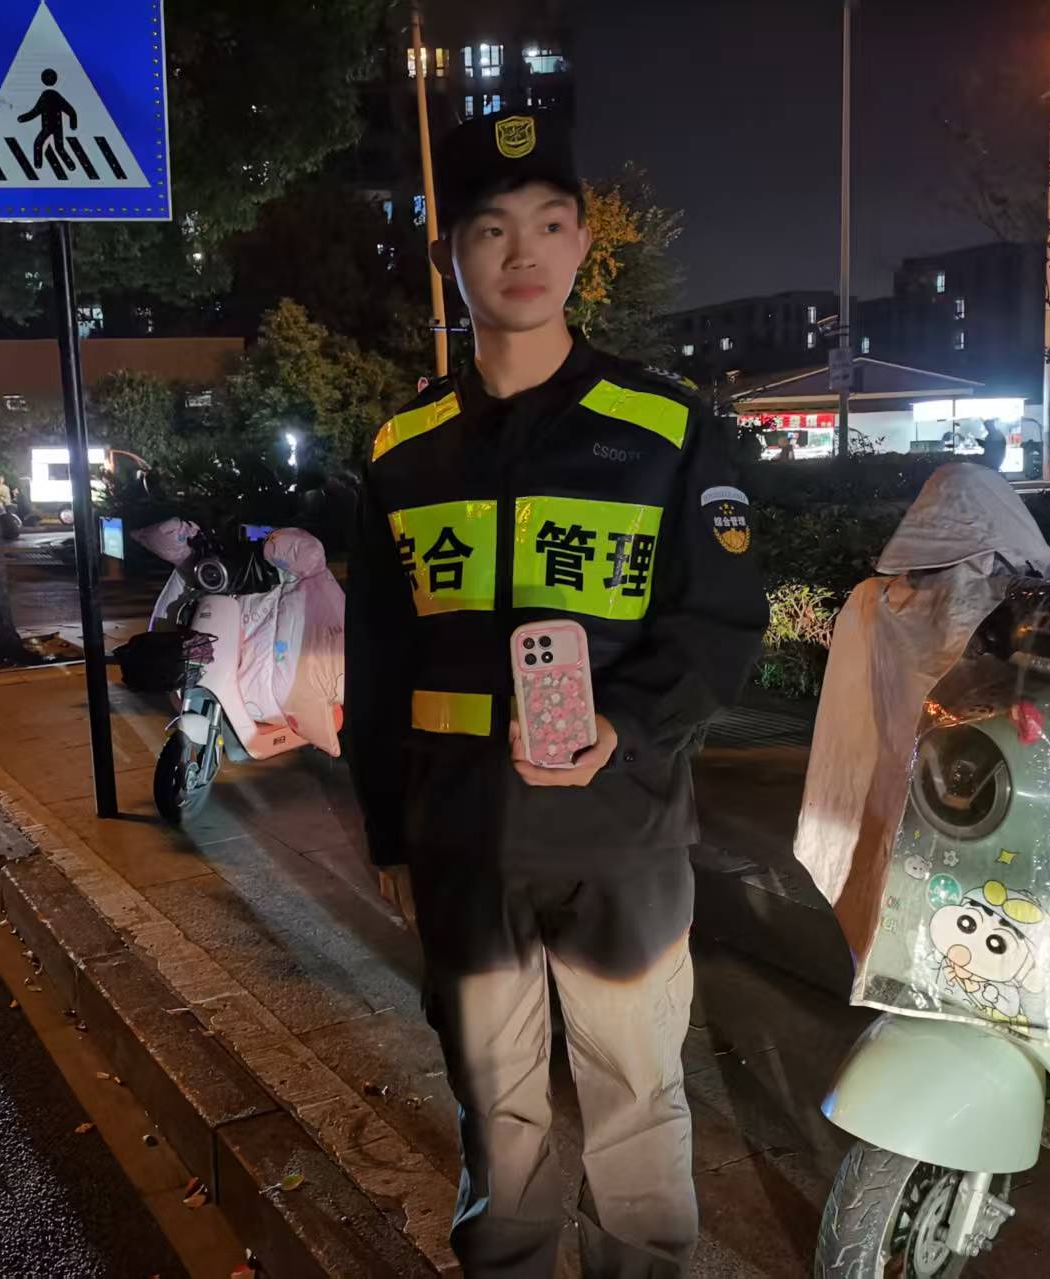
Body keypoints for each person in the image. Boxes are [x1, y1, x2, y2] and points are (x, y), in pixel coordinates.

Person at [346, 112, 768, 1278]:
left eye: (546, 223)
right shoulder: (400, 451)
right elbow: (376, 659)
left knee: (636, 1098)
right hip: (459, 836)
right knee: (493, 1104)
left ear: (583, 243)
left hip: (619, 833)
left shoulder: (665, 430)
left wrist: (623, 725)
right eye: (489, 229)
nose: (520, 251)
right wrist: (385, 826)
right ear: (450, 255)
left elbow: (719, 624)